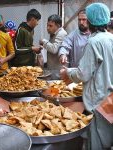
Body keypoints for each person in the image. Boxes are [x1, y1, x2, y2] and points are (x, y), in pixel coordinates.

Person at [60, 3, 113, 150]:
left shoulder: (93, 42)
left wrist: (67, 73)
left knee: (96, 142)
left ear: (90, 21)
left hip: (98, 100)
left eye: (86, 19)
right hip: (110, 98)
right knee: (107, 138)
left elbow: (83, 74)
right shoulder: (110, 38)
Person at [39, 14, 67, 78]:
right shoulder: (54, 33)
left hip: (58, 71)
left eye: (50, 26)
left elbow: (54, 49)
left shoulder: (61, 34)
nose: (47, 28)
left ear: (58, 26)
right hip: (54, 69)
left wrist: (44, 41)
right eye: (47, 25)